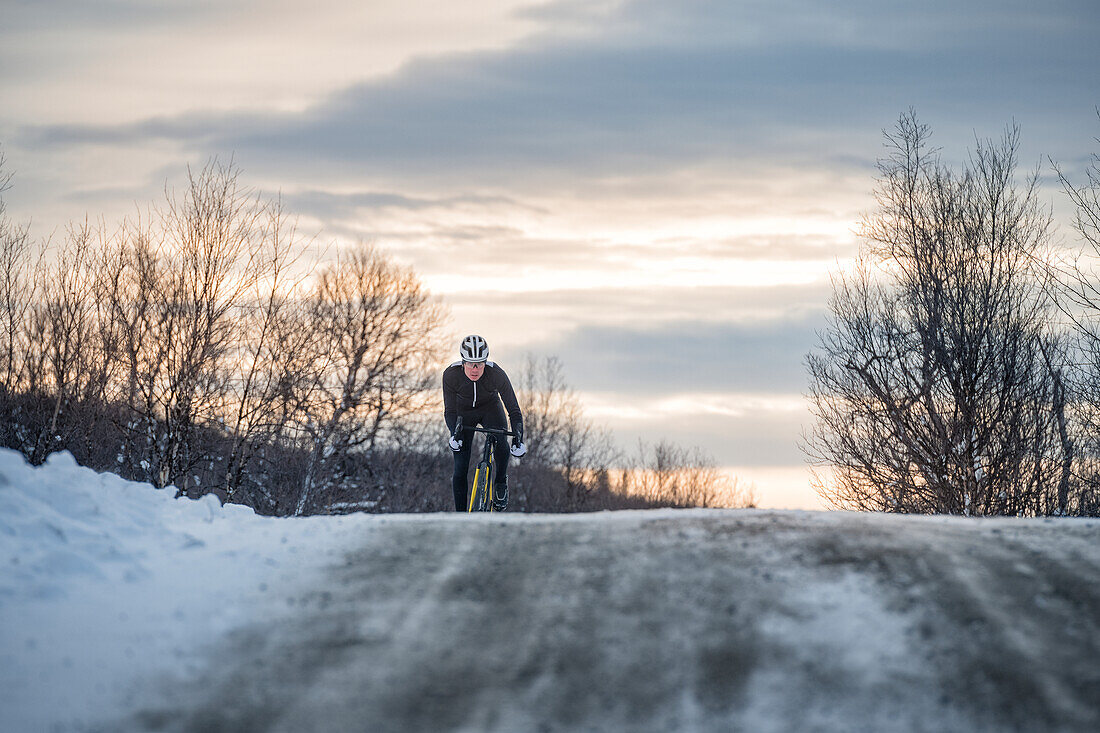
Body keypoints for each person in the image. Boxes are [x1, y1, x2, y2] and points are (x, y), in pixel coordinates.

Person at [443, 335, 526, 511]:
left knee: (501, 442)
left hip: (490, 409)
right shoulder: (450, 375)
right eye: (471, 364)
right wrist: (454, 433)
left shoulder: (496, 374)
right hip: (463, 413)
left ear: (485, 362)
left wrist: (518, 437)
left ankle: (500, 481)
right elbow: (450, 411)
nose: (475, 369)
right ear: (463, 362)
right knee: (460, 468)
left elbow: (514, 410)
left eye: (480, 364)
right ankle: (460, 517)